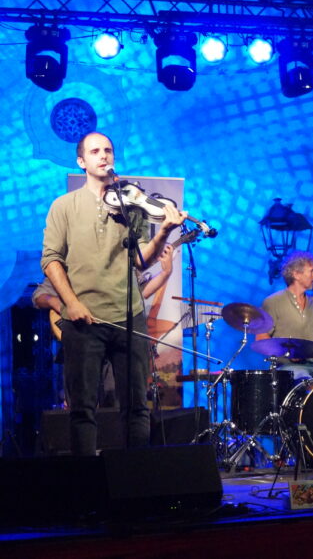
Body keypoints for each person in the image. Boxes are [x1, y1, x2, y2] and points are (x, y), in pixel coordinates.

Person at [41, 132, 186, 455]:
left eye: (108, 150)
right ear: (81, 161)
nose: (103, 155)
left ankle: (135, 476)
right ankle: (86, 479)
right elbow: (50, 260)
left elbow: (140, 260)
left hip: (128, 317)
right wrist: (71, 303)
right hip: (83, 319)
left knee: (136, 406)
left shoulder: (129, 204)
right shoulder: (63, 206)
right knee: (83, 408)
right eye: (95, 151)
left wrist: (164, 231)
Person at [257, 251, 313, 379]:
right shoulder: (273, 302)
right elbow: (261, 338)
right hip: (287, 369)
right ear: (296, 274)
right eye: (311, 271)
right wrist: (288, 353)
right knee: (302, 376)